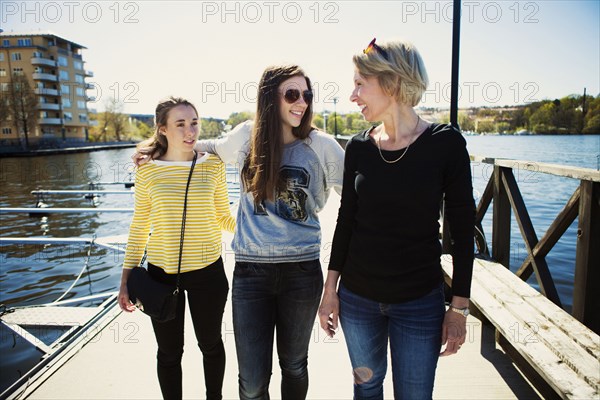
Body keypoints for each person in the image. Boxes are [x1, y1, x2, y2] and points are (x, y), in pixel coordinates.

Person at [133, 65, 344, 399]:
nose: (301, 102)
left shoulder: (322, 146)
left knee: (294, 365)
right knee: (252, 382)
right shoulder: (247, 136)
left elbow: (358, 203)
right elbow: (206, 145)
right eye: (291, 94)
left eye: (306, 94)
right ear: (270, 97)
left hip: (301, 271)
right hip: (251, 273)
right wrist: (159, 150)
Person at [317, 38, 475, 399]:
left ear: (391, 82)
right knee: (366, 386)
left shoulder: (445, 144)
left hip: (419, 301)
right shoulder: (358, 147)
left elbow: (463, 232)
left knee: (415, 395)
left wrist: (459, 309)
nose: (353, 96)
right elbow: (346, 222)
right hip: (357, 300)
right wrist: (330, 291)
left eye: (360, 84)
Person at [119, 97, 235, 400]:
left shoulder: (213, 165)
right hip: (161, 274)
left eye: (194, 123)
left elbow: (223, 216)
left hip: (208, 272)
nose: (190, 131)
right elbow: (140, 225)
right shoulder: (148, 171)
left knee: (210, 345)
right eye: (180, 124)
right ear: (163, 130)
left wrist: (260, 230)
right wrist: (125, 279)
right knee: (169, 353)